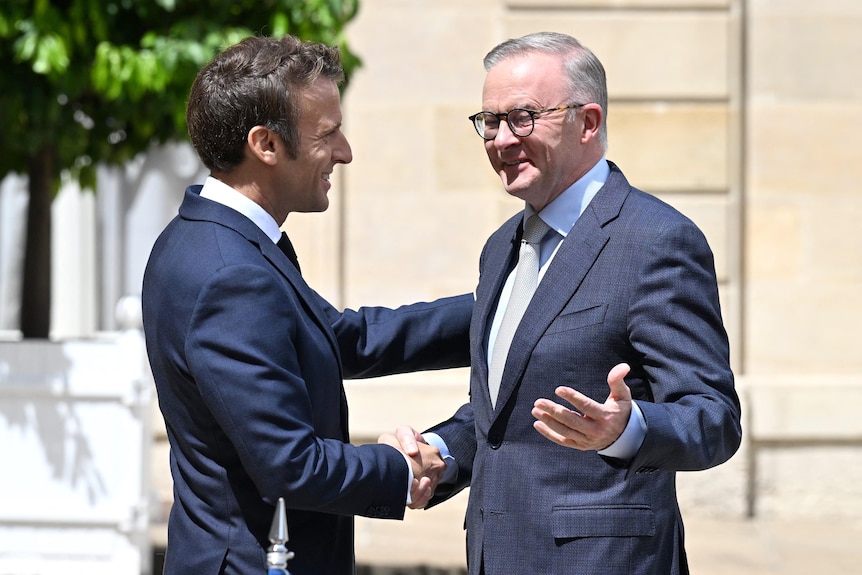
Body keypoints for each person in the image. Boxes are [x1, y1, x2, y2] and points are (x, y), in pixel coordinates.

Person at [387, 31, 742, 574]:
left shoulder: (655, 241)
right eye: (489, 121)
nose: (501, 140)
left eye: (523, 117)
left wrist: (627, 430)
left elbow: (714, 420)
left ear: (588, 121)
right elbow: (505, 417)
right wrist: (442, 452)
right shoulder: (501, 247)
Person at [141, 35, 472, 575]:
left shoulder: (216, 239)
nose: (345, 151)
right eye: (328, 133)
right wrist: (402, 468)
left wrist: (503, 304)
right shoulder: (229, 273)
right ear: (266, 145)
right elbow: (290, 466)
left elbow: (341, 339)